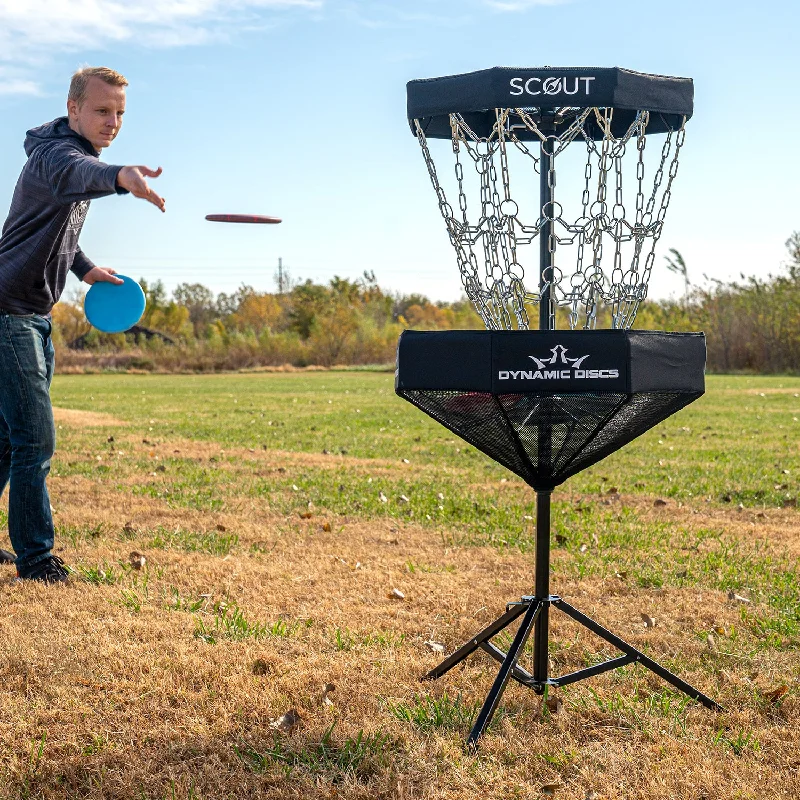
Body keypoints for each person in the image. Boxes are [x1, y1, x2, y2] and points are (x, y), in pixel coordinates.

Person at [0, 66, 165, 583]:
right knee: (35, 440)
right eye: (101, 110)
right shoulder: (58, 156)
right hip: (10, 314)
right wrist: (119, 177)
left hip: (33, 314)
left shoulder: (75, 154)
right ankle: (36, 558)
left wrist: (86, 267)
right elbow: (77, 176)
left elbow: (55, 229)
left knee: (8, 441)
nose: (112, 121)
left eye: (119, 113)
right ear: (73, 109)